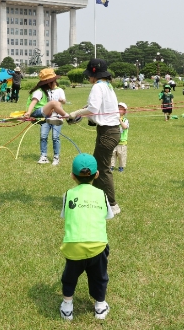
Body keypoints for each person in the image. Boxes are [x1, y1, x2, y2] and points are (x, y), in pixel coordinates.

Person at [59, 153, 114, 321]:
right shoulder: (102, 194)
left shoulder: (67, 195)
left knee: (69, 276)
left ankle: (67, 307)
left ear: (72, 176)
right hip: (97, 246)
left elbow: (65, 215)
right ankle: (100, 306)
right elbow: (108, 216)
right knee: (99, 276)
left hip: (73, 246)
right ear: (96, 175)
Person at [67, 59, 121, 214]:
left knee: (102, 169)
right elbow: (94, 109)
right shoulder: (107, 86)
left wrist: (76, 113)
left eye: (89, 75)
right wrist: (79, 114)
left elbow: (93, 109)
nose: (88, 78)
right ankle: (97, 199)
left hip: (108, 132)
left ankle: (112, 205)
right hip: (110, 131)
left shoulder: (98, 87)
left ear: (94, 74)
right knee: (98, 166)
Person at [37, 76, 67, 166]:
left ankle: (56, 157)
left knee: (55, 137)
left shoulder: (60, 90)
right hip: (46, 117)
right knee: (43, 136)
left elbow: (64, 101)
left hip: (57, 117)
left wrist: (62, 100)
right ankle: (43, 156)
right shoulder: (45, 91)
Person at [110, 102, 129, 172]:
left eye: (121, 109)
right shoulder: (113, 119)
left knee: (121, 155)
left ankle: (121, 167)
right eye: (118, 108)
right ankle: (111, 166)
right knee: (112, 154)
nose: (119, 110)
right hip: (114, 140)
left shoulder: (125, 120)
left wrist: (120, 120)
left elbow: (124, 127)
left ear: (124, 111)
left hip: (122, 141)